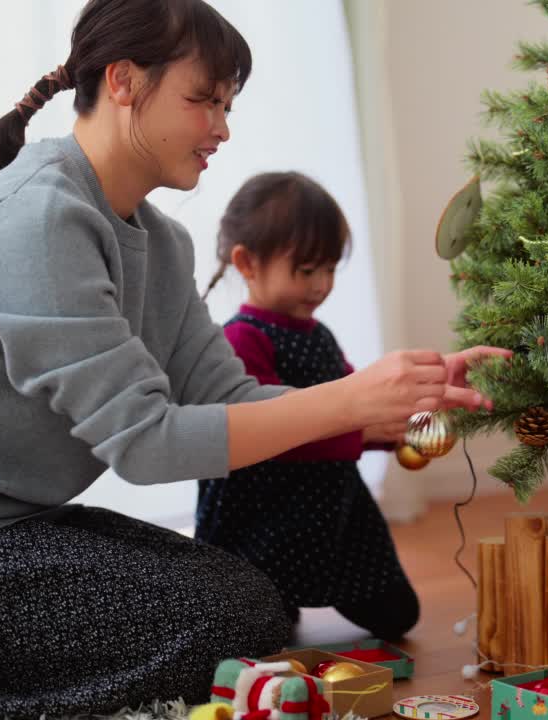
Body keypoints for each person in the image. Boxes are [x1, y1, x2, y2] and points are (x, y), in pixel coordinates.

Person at [0, 1, 507, 717]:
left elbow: (229, 398)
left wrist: (395, 395)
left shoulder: (162, 244)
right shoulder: (38, 220)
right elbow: (149, 444)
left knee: (247, 605)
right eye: (204, 101)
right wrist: (349, 401)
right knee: (229, 622)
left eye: (227, 105)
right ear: (124, 81)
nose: (222, 127)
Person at [196, 172, 419, 641]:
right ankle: (272, 602)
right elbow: (272, 436)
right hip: (266, 515)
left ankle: (292, 598)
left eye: (330, 269)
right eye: (306, 270)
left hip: (333, 514)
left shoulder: (320, 336)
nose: (321, 285)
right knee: (258, 626)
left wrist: (392, 426)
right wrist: (364, 431)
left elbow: (356, 399)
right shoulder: (242, 339)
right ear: (247, 263)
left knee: (399, 614)